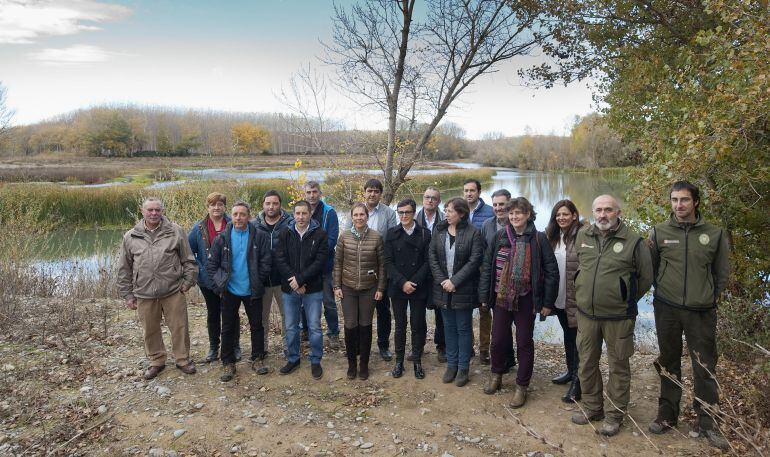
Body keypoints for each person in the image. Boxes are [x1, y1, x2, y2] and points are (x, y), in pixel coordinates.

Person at [647, 181, 730, 450]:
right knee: (669, 362)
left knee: (704, 367)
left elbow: (721, 275)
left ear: (695, 202)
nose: (678, 205)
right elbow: (652, 269)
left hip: (701, 312)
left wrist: (706, 297)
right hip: (667, 308)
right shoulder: (659, 232)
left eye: (684, 200)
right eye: (674, 200)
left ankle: (708, 421)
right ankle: (668, 414)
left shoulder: (714, 234)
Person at [570, 194, 653, 437]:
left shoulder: (634, 241)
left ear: (619, 212)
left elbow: (646, 278)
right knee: (586, 363)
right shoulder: (583, 235)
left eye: (608, 210)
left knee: (618, 366)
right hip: (587, 314)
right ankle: (592, 407)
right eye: (598, 210)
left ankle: (615, 415)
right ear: (593, 212)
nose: (603, 214)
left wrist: (623, 297)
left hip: (618, 317)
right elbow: (581, 267)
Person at [480, 197, 559, 407]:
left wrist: (547, 302)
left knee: (524, 342)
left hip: (526, 299)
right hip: (501, 297)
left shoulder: (539, 239)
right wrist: (484, 297)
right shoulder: (499, 236)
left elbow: (552, 272)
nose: (514, 217)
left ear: (528, 215)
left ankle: (521, 386)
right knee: (497, 340)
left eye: (519, 213)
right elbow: (487, 266)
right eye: (511, 213)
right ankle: (496, 375)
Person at [117, 197, 198, 380]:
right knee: (150, 329)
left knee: (179, 327)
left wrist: (187, 283)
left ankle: (182, 360)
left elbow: (189, 260)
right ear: (142, 211)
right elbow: (124, 268)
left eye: (157, 210)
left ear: (162, 211)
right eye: (150, 210)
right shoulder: (130, 236)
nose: (154, 213)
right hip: (144, 293)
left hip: (173, 291)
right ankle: (156, 361)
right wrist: (128, 294)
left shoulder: (175, 231)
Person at [207, 201, 272, 381]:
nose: (238, 218)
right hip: (230, 290)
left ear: (249, 216)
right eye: (235, 214)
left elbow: (266, 262)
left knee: (257, 326)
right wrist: (220, 284)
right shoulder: (222, 238)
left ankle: (257, 358)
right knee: (228, 327)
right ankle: (228, 362)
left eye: (242, 214)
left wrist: (258, 279)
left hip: (253, 290)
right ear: (231, 215)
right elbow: (211, 265)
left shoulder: (260, 236)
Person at [429, 197, 484, 387]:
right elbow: (433, 257)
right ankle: (451, 365)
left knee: (463, 328)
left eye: (450, 211)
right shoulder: (439, 230)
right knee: (448, 328)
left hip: (464, 289)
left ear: (461, 213)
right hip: (443, 288)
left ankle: (463, 368)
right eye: (445, 210)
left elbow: (474, 261)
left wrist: (455, 281)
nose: (446, 213)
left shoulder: (473, 233)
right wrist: (443, 280)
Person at [274, 200, 329, 380]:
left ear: (310, 214)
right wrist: (294, 281)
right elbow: (280, 259)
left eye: (304, 213)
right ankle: (293, 358)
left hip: (312, 289)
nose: (301, 217)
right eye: (297, 213)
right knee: (291, 326)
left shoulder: (320, 234)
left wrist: (301, 279)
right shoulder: (285, 233)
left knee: (314, 327)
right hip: (290, 289)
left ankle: (315, 360)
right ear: (293, 214)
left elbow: (319, 262)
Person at [333, 203, 386, 380]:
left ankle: (364, 364)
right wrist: (336, 286)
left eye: (361, 214)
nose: (358, 218)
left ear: (367, 216)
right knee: (349, 326)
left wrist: (380, 288)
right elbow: (338, 262)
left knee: (365, 325)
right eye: (355, 215)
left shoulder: (376, 237)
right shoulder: (344, 237)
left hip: (369, 289)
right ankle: (351, 364)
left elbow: (382, 265)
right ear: (352, 217)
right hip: (347, 288)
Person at [189, 192, 240, 363]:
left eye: (220, 204)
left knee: (231, 313)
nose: (216, 207)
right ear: (208, 207)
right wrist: (200, 269)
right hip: (207, 280)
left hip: (230, 278)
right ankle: (213, 347)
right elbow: (189, 252)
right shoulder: (199, 228)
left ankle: (234, 346)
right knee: (213, 314)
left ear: (225, 207)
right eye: (213, 204)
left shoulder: (233, 224)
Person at [385, 198, 432, 379]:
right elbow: (388, 262)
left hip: (418, 287)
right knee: (400, 326)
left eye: (407, 212)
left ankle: (417, 361)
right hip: (398, 287)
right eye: (401, 212)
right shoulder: (391, 233)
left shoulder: (424, 234)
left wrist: (414, 282)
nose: (404, 215)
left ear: (414, 213)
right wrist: (402, 282)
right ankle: (399, 361)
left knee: (418, 325)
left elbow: (428, 261)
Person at [545, 199, 585, 403]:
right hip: (559, 298)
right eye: (558, 215)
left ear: (574, 215)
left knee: (578, 341)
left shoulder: (583, 236)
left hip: (577, 299)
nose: (561, 218)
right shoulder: (552, 236)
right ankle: (571, 372)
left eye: (565, 214)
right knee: (568, 338)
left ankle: (579, 383)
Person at [361, 178, 398, 361]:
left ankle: (383, 345)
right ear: (364, 192)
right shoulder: (357, 212)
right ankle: (361, 345)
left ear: (380, 194)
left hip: (381, 270)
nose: (372, 194)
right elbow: (345, 237)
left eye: (376, 191)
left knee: (383, 311)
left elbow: (391, 241)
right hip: (360, 269)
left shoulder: (389, 213)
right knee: (362, 311)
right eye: (369, 190)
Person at [253, 190, 293, 354]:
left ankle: (289, 349)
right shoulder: (254, 225)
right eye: (268, 203)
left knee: (288, 318)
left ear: (280, 205)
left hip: (285, 280)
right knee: (262, 319)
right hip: (262, 281)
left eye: (275, 203)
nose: (271, 206)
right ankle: (262, 349)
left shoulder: (290, 223)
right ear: (263, 205)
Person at [303, 181, 341, 348]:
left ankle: (333, 333)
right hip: (305, 267)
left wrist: (316, 256)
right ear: (304, 194)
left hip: (325, 266)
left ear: (320, 193)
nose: (312, 195)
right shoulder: (300, 211)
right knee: (304, 301)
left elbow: (332, 239)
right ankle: (304, 330)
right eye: (309, 192)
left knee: (329, 302)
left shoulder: (329, 212)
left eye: (315, 192)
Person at [479, 189, 513, 366]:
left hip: (512, 282)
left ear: (509, 203)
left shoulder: (517, 222)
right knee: (490, 317)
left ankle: (508, 356)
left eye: (502, 204)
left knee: (507, 321)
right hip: (492, 278)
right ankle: (488, 352)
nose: (498, 208)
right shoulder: (487, 225)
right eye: (495, 205)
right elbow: (484, 254)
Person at [415, 186, 446, 363]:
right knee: (418, 313)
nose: (430, 200)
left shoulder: (445, 219)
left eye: (434, 198)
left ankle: (441, 346)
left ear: (439, 201)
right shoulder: (414, 218)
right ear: (423, 198)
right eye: (427, 197)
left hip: (439, 273)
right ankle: (418, 347)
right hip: (419, 272)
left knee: (441, 313)